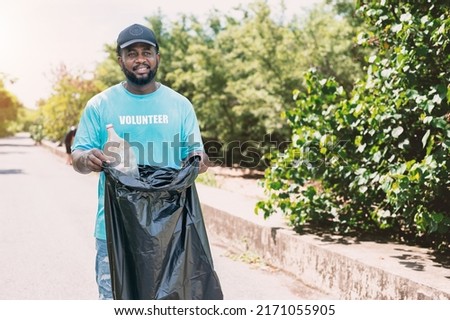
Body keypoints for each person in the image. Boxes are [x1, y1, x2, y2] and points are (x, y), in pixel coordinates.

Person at [71, 23, 209, 300]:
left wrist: (198, 159)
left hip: (170, 229)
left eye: (146, 52)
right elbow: (77, 156)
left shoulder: (179, 104)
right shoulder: (100, 105)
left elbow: (198, 154)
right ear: (120, 60)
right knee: (116, 301)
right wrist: (89, 158)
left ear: (158, 57)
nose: (140, 59)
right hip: (115, 228)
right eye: (131, 53)